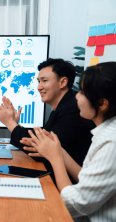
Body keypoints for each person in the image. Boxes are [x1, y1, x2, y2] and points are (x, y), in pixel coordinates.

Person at [25, 62, 116, 221]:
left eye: (82, 92)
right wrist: (57, 148)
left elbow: (72, 205)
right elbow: (86, 178)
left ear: (102, 104)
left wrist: (56, 157)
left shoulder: (111, 143)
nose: (76, 96)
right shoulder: (105, 132)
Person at [0, 58, 95, 167]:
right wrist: (15, 124)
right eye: (39, 81)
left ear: (62, 82)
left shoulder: (72, 109)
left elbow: (44, 151)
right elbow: (42, 138)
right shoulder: (63, 106)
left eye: (44, 81)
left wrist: (10, 123)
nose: (39, 87)